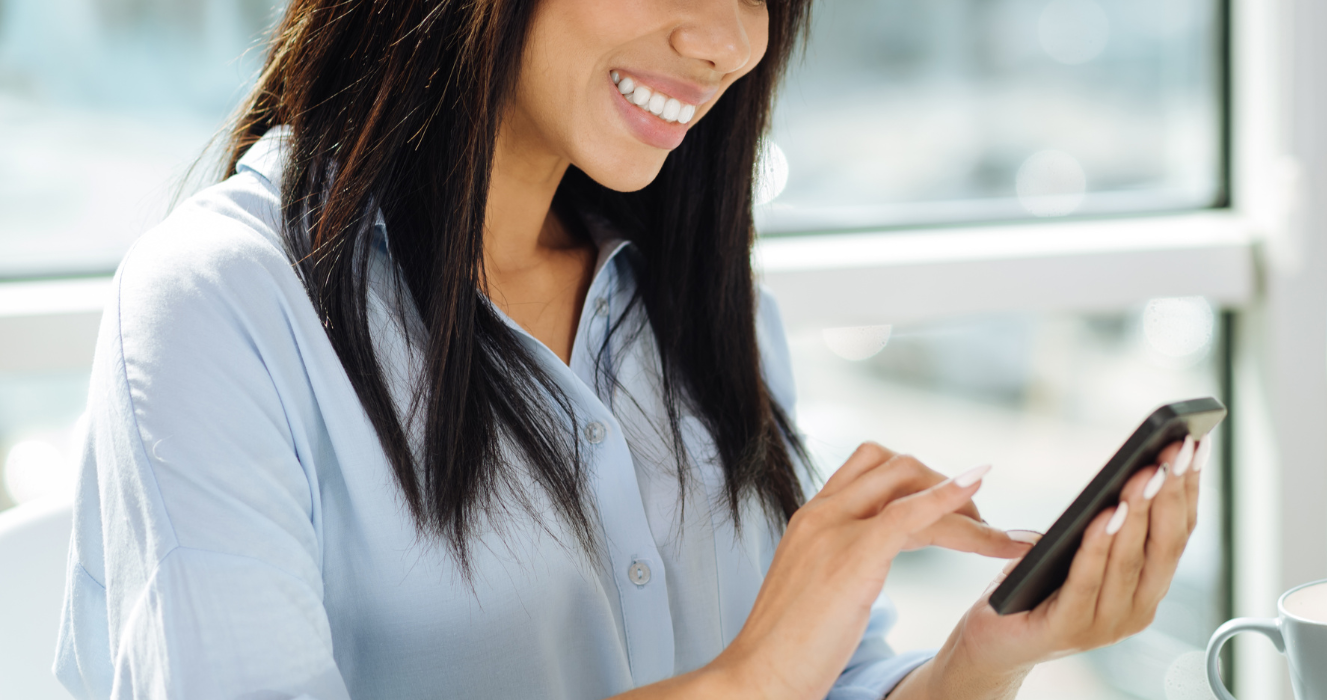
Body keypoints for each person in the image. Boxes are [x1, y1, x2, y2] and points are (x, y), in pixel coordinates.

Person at [53, 0, 1209, 698]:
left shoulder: (695, 301)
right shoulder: (221, 308)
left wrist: (989, 653)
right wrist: (747, 678)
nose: (727, 40)